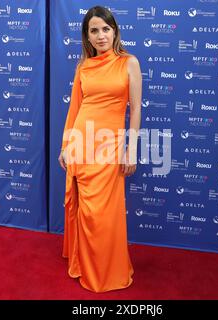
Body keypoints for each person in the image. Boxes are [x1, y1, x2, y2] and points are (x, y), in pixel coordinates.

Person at [58, 6, 142, 292]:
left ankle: (108, 270)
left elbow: (136, 108)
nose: (101, 35)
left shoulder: (129, 63)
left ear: (115, 31)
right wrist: (66, 146)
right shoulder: (83, 67)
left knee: (104, 214)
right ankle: (85, 264)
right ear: (87, 36)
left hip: (110, 147)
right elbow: (75, 109)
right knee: (86, 211)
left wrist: (130, 149)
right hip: (82, 142)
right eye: (94, 30)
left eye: (105, 29)